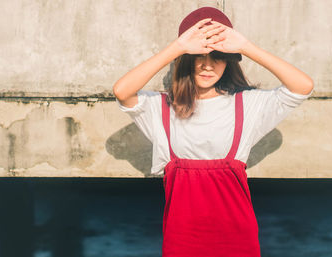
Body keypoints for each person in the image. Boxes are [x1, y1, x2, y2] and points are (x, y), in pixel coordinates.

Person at [113, 7, 314, 257]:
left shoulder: (246, 105)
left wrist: (246, 47)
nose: (207, 66)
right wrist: (177, 48)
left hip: (237, 238)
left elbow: (302, 86)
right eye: (199, 56)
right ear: (186, 59)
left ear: (229, 61)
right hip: (182, 240)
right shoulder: (162, 109)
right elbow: (122, 91)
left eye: (218, 56)